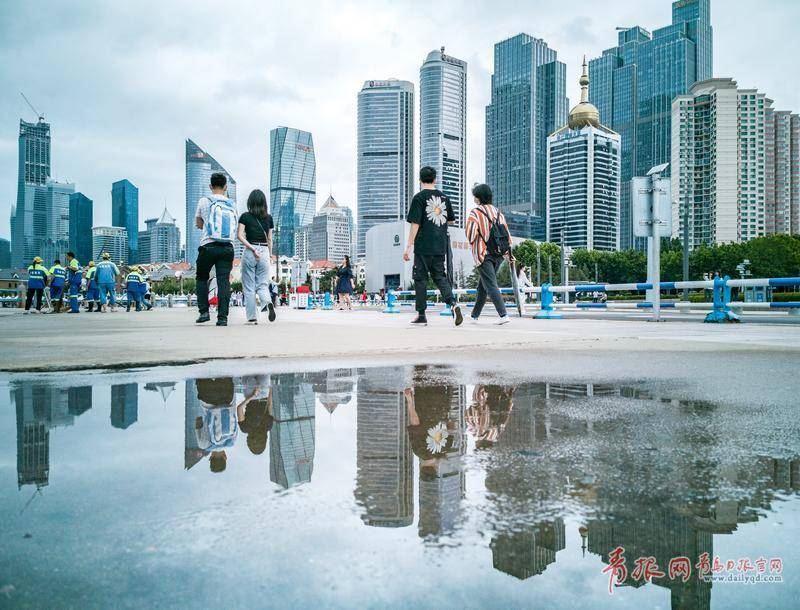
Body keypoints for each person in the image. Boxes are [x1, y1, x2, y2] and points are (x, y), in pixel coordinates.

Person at [403, 166, 463, 327]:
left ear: (420, 180)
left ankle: (421, 315)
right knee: (440, 277)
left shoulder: (419, 198)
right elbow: (451, 220)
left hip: (423, 245)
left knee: (420, 279)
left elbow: (415, 224)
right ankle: (453, 303)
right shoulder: (444, 197)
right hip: (440, 245)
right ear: (435, 179)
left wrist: (408, 246)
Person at [465, 183, 513, 325]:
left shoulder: (475, 212)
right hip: (499, 254)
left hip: (483, 254)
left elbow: (471, 234)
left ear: (478, 198)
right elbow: (507, 235)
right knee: (482, 286)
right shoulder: (498, 212)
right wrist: (509, 255)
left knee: (490, 284)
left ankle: (503, 315)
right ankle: (474, 315)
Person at [195, 172, 237, 326]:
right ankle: (222, 318)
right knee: (223, 281)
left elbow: (199, 224)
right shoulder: (232, 204)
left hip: (208, 245)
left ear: (210, 186)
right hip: (227, 247)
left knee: (202, 277)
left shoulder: (204, 201)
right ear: (226, 187)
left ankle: (204, 312)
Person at [237, 189, 276, 325]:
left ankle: (252, 317)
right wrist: (270, 255)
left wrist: (252, 248)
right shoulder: (269, 218)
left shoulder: (245, 217)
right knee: (262, 284)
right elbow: (270, 239)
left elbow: (240, 236)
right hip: (265, 251)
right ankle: (268, 302)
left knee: (249, 286)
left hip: (250, 250)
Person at [193, 377, 238, 473]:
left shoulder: (232, 441)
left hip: (227, 397)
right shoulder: (203, 445)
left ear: (225, 457)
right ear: (210, 458)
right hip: (207, 397)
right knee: (202, 372)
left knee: (224, 371)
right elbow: (198, 420)